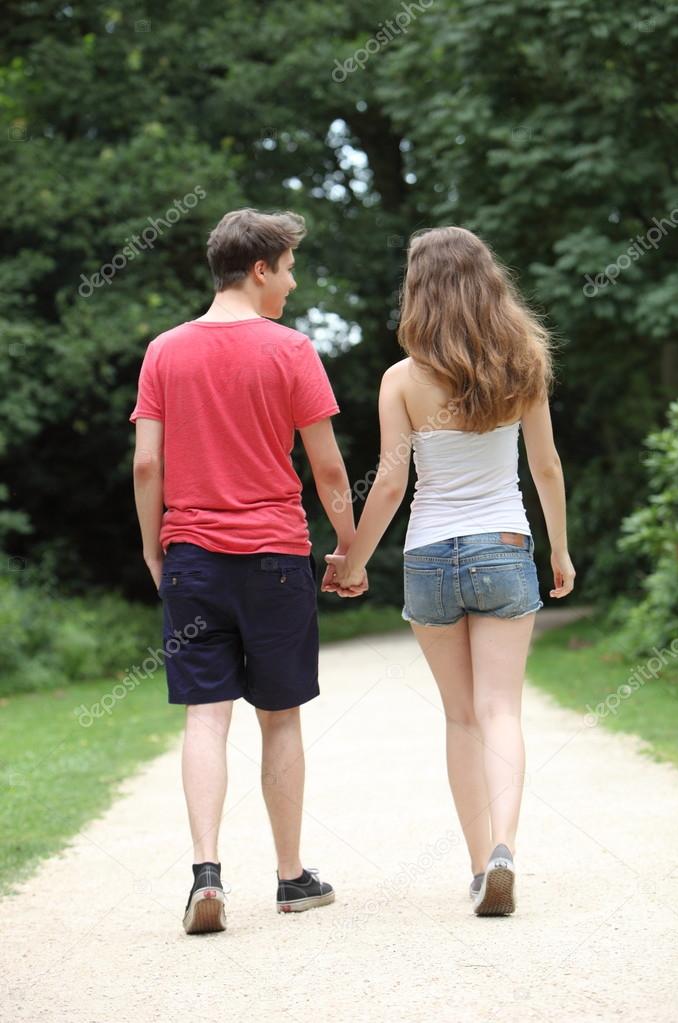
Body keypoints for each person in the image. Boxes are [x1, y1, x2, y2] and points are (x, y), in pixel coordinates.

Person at [324, 225, 576, 917]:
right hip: (503, 542)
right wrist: (559, 548)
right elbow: (546, 467)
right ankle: (504, 848)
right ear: (488, 280)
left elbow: (389, 486)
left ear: (419, 291)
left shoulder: (402, 379)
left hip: (430, 556)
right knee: (501, 710)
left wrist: (351, 561)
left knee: (461, 718)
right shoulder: (523, 358)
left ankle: (475, 868)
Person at [129, 207, 366, 934]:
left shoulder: (164, 350)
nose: (293, 283)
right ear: (259, 268)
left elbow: (146, 463)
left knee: (206, 714)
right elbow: (328, 467)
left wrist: (153, 547)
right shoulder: (291, 351)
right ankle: (292, 878)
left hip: (194, 558)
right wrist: (348, 550)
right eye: (289, 267)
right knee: (280, 716)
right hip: (274, 559)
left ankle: (206, 872)